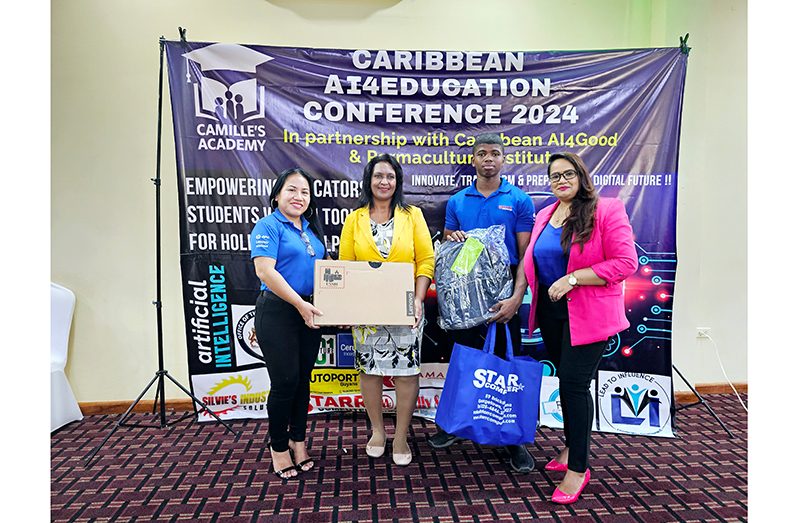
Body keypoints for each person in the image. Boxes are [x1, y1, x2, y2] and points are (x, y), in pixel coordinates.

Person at [523, 152, 637, 504]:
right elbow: (535, 263)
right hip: (552, 316)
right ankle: (571, 448)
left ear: (581, 175)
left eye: (567, 173)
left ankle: (579, 468)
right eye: (554, 175)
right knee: (566, 382)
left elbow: (625, 262)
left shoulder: (607, 209)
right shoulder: (545, 214)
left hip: (589, 315)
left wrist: (574, 278)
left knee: (574, 386)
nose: (561, 180)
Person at [428, 132, 536, 474]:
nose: (488, 158)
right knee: (464, 358)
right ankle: (456, 425)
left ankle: (513, 439)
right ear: (473, 160)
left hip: (504, 296)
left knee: (507, 363)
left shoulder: (518, 200)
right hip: (464, 297)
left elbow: (525, 256)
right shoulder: (458, 201)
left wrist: (516, 297)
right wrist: (452, 237)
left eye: (495, 153)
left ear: (503, 160)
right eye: (481, 153)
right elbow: (449, 245)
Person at [339, 153, 434, 466]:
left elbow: (425, 261)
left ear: (398, 181)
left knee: (406, 373)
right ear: (369, 180)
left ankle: (402, 435)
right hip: (367, 309)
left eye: (390, 176)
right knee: (370, 370)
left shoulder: (413, 215)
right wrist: (350, 304)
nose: (384, 182)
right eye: (378, 175)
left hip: (406, 306)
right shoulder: (354, 219)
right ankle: (378, 431)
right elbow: (345, 266)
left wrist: (418, 300)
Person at [250, 168, 327, 480]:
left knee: (302, 381)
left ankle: (298, 441)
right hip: (279, 311)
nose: (299, 197)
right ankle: (278, 446)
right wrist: (299, 304)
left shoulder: (309, 229)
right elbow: (265, 272)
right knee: (284, 384)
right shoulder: (267, 226)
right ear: (277, 195)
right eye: (292, 190)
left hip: (308, 310)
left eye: (305, 192)